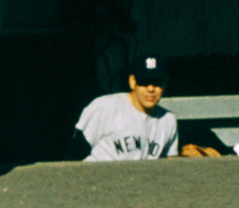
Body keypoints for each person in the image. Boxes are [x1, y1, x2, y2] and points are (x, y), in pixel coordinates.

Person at [75, 55, 214, 160]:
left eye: (157, 82)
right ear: (132, 82)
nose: (151, 89)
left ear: (165, 84)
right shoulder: (105, 107)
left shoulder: (168, 120)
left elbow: (169, 164)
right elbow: (76, 153)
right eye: (144, 82)